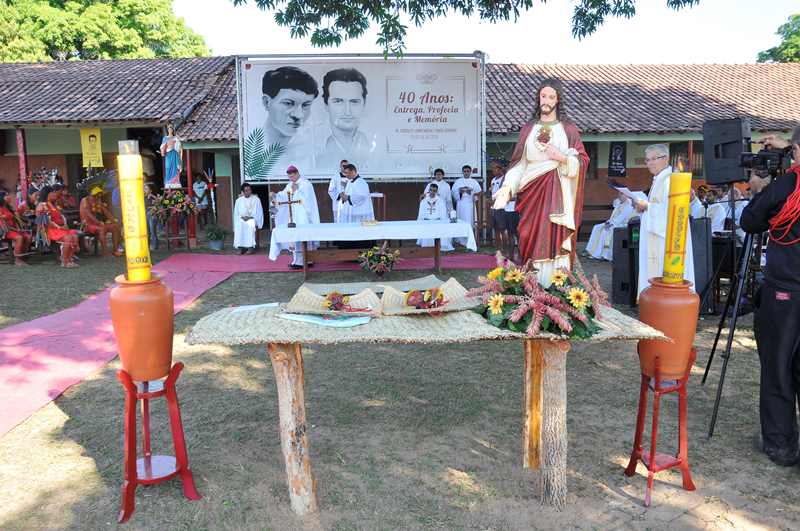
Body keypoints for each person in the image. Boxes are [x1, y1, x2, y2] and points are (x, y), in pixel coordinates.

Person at [741, 128, 800, 467]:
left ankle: (781, 444)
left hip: (786, 291)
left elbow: (751, 221)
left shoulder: (785, 187)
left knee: (779, 367)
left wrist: (761, 189)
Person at [493, 78, 589, 283]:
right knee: (529, 236)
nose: (546, 100)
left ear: (558, 100)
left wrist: (561, 157)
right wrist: (507, 188)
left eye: (551, 97)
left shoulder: (568, 129)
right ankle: (533, 286)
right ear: (538, 98)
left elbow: (582, 160)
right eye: (543, 96)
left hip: (558, 193)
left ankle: (557, 287)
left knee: (555, 236)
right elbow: (519, 164)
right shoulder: (529, 129)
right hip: (531, 194)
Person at [633, 144, 695, 296]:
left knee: (665, 271)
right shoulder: (659, 179)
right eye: (647, 160)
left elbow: (671, 211)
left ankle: (665, 301)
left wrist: (646, 205)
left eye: (654, 159)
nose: (650, 163)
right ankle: (655, 302)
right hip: (657, 235)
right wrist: (644, 207)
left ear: (666, 158)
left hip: (668, 239)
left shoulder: (670, 180)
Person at [261, 66, 319, 169]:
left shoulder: (313, 152)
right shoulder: (255, 150)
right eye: (288, 103)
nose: (298, 115)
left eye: (305, 105)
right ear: (267, 102)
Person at [320, 68, 372, 168]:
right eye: (338, 101)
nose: (347, 111)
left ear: (364, 103)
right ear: (326, 104)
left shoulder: (375, 141)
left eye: (354, 101)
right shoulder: (310, 142)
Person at [273, 165, 321, 269]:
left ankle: (308, 260)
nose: (291, 178)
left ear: (297, 173)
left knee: (303, 235)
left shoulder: (306, 184)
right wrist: (275, 196)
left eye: (293, 175)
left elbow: (307, 199)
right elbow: (284, 195)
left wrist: (296, 191)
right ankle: (297, 261)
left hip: (303, 214)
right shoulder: (290, 184)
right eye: (289, 176)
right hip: (293, 214)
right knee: (295, 237)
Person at [34, 185, 80, 267]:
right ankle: (65, 261)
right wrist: (60, 227)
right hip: (48, 230)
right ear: (47, 194)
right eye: (52, 193)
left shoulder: (54, 204)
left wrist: (65, 225)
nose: (55, 194)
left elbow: (61, 218)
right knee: (68, 238)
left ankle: (69, 259)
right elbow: (47, 221)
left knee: (75, 236)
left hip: (58, 229)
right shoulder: (42, 205)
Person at [585, 193, 635, 261]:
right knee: (596, 227)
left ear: (626, 195)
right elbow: (614, 215)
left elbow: (621, 218)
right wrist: (608, 222)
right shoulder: (619, 202)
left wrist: (611, 224)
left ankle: (602, 254)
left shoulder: (628, 205)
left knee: (606, 231)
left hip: (622, 224)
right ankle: (591, 250)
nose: (620, 196)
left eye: (622, 194)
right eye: (619, 194)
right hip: (613, 222)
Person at [80, 186, 122, 256]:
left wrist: (114, 221)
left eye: (99, 194)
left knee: (114, 227)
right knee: (102, 228)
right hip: (87, 225)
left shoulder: (98, 200)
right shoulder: (85, 200)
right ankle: (105, 252)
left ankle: (115, 250)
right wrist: (99, 222)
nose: (98, 196)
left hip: (97, 224)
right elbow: (89, 214)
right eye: (96, 194)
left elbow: (106, 212)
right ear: (91, 194)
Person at [416, 183, 453, 251]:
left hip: (437, 222)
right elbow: (421, 213)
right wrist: (422, 220)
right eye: (431, 190)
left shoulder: (440, 201)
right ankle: (427, 246)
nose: (432, 192)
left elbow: (443, 213)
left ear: (437, 191)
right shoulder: (424, 201)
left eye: (434, 190)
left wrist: (440, 220)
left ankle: (440, 245)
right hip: (427, 222)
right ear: (429, 190)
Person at [451, 164, 482, 247]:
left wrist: (471, 193)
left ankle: (470, 241)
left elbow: (479, 193)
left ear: (470, 172)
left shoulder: (474, 182)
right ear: (462, 172)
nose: (466, 173)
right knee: (461, 221)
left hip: (470, 204)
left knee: (470, 221)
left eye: (468, 171)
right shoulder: (458, 181)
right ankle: (460, 241)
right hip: (461, 204)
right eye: (464, 171)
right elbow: (453, 193)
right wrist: (459, 192)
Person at [0, 190, 32, 265]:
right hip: (5, 231)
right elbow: (2, 223)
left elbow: (16, 218)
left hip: (13, 230)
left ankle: (22, 255)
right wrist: (17, 229)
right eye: (6, 196)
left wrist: (20, 211)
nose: (9, 197)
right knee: (19, 237)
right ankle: (17, 259)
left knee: (28, 237)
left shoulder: (9, 208)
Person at [233, 183, 264, 254]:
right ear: (242, 192)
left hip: (253, 219)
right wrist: (242, 217)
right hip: (242, 219)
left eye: (249, 190)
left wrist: (252, 218)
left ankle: (250, 247)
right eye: (246, 190)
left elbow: (259, 212)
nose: (248, 192)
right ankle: (240, 247)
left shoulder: (256, 199)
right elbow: (236, 214)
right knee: (239, 224)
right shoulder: (238, 201)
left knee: (250, 223)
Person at [488, 160, 507, 254]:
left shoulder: (504, 179)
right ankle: (498, 250)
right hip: (493, 208)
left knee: (503, 230)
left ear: (500, 169)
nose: (493, 170)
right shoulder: (493, 180)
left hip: (501, 207)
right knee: (496, 230)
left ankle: (505, 250)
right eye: (492, 168)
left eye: (495, 168)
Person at [160, 123, 182, 189]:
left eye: (171, 128)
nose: (170, 129)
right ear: (167, 129)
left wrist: (177, 141)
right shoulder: (165, 138)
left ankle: (175, 182)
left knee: (175, 168)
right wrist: (165, 149)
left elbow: (179, 147)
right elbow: (162, 147)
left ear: (173, 129)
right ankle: (169, 182)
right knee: (168, 167)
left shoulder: (176, 138)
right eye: (169, 128)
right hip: (168, 155)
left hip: (175, 154)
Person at [144, 182, 159, 250]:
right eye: (144, 188)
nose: (144, 190)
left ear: (150, 190)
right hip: (145, 215)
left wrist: (152, 196)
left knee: (152, 230)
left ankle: (154, 245)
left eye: (146, 189)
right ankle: (147, 245)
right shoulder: (144, 197)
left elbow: (158, 205)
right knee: (147, 231)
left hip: (152, 215)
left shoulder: (154, 197)